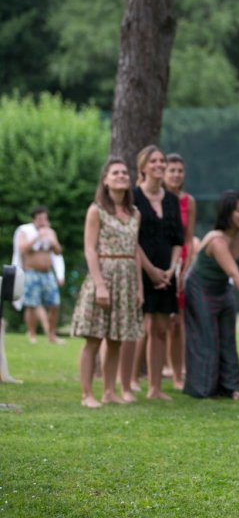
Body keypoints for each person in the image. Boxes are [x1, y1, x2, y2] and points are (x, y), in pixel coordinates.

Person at [71, 158, 144, 407]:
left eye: (125, 172)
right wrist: (100, 284)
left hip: (126, 279)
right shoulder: (96, 210)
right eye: (116, 173)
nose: (122, 176)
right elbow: (90, 250)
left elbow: (135, 251)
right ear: (106, 180)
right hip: (103, 275)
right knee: (94, 338)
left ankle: (110, 392)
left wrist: (139, 288)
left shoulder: (135, 214)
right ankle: (86, 394)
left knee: (116, 338)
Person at [184, 191, 239, 400]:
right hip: (199, 287)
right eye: (238, 210)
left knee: (228, 337)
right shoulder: (216, 240)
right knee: (208, 337)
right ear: (227, 213)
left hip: (222, 287)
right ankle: (204, 388)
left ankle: (231, 388)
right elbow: (233, 272)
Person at [132, 145, 184, 400]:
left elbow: (178, 239)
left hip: (167, 272)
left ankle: (155, 388)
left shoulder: (172, 199)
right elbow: (131, 239)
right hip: (141, 269)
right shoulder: (133, 197)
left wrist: (171, 269)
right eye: (154, 161)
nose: (159, 165)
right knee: (142, 327)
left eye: (162, 160)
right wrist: (151, 271)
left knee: (162, 329)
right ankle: (127, 381)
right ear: (143, 167)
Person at [163, 153, 197, 390]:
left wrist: (185, 268)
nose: (176, 174)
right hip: (158, 261)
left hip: (181, 264)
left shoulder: (188, 201)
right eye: (171, 170)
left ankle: (177, 373)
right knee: (154, 323)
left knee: (178, 323)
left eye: (179, 170)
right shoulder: (155, 199)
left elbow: (189, 239)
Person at [14, 207, 65, 344]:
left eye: (45, 218)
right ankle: (32, 333)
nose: (43, 221)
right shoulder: (25, 231)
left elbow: (58, 252)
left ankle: (52, 335)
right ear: (34, 219)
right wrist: (38, 237)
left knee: (55, 304)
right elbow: (23, 249)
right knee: (31, 304)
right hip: (31, 272)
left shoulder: (51, 233)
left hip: (47, 274)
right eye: (40, 219)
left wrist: (54, 243)